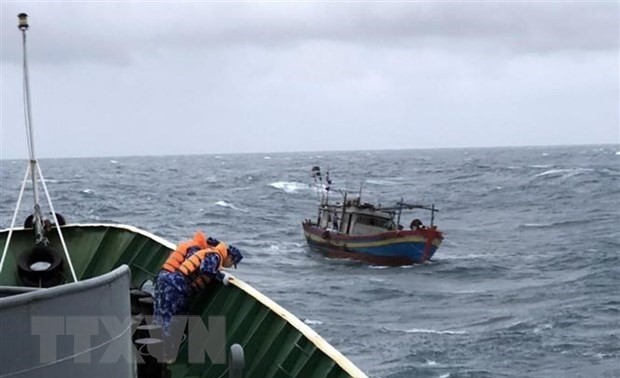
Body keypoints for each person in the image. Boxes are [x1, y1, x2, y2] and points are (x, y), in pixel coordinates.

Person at [153, 231, 243, 336]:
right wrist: (222, 277)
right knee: (172, 319)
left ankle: (155, 345)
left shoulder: (207, 252)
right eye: (232, 264)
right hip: (177, 284)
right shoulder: (216, 256)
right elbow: (206, 269)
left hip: (166, 278)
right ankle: (165, 348)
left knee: (160, 315)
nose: (230, 266)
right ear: (230, 258)